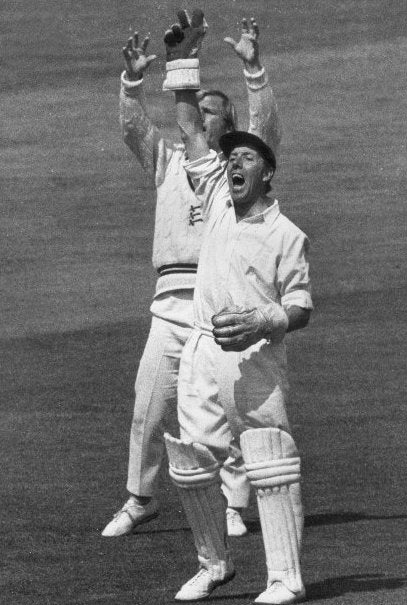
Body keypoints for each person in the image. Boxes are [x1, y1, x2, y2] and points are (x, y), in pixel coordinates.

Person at [101, 14, 281, 538]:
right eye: (198, 109)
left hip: (222, 303)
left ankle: (232, 504)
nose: (201, 116)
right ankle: (139, 499)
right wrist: (133, 81)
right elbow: (134, 125)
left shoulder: (238, 174)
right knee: (149, 409)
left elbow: (265, 129)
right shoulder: (169, 159)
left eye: (212, 112)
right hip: (170, 306)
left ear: (227, 126)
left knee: (227, 412)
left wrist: (253, 71)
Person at [161, 10, 313, 605]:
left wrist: (253, 70)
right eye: (233, 159)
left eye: (248, 158)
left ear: (268, 171)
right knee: (190, 459)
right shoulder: (221, 204)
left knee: (268, 458)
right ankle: (214, 564)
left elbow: (301, 308)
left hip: (255, 357)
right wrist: (185, 57)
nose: (235, 163)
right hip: (201, 347)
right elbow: (192, 131)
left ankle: (285, 577)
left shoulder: (287, 235)